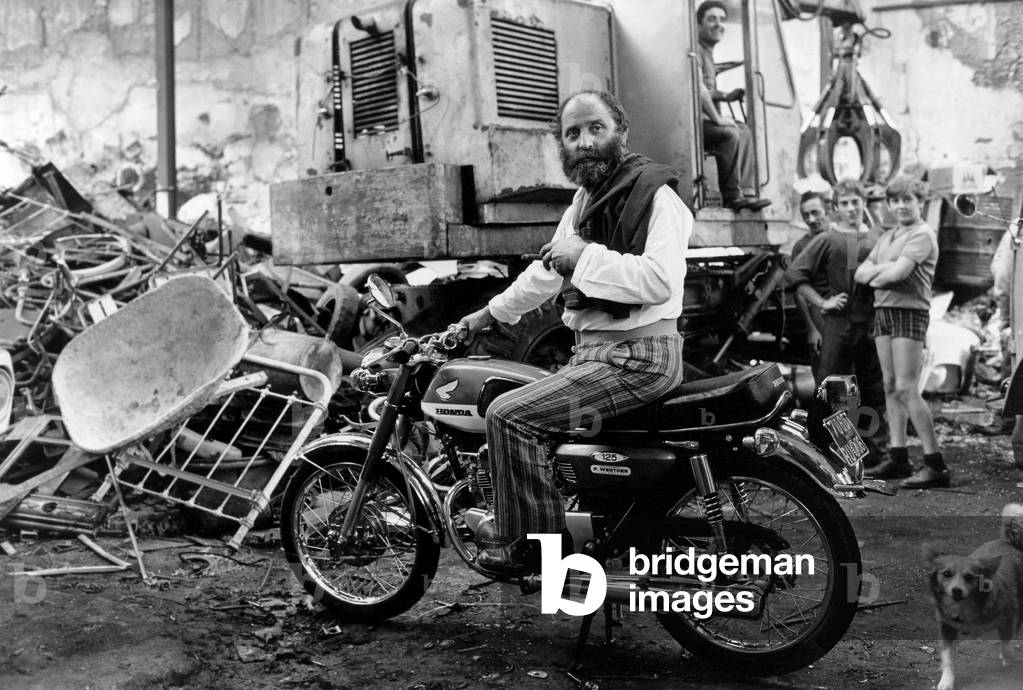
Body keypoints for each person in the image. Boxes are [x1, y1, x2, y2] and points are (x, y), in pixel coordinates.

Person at [455, 90, 691, 573]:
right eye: (573, 133)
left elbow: (659, 279)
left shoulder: (656, 196)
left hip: (638, 357)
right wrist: (488, 315)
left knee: (509, 416)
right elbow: (546, 273)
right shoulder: (587, 201)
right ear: (561, 145)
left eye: (595, 129)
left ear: (621, 131)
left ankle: (537, 550)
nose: (584, 142)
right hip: (599, 356)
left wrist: (581, 257)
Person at [786, 179, 889, 469]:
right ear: (836, 207)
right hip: (838, 325)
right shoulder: (827, 239)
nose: (851, 208)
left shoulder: (878, 238)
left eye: (855, 202)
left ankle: (876, 453)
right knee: (836, 392)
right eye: (844, 203)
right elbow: (794, 276)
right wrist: (823, 302)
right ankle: (845, 456)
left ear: (864, 203)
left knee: (873, 390)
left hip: (870, 324)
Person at [854, 174, 946, 488]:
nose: (901, 205)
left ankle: (936, 465)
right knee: (890, 385)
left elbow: (896, 273)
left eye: (908, 199)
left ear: (920, 202)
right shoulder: (890, 235)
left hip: (909, 312)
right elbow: (861, 273)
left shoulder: (922, 234)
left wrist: (878, 274)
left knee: (907, 388)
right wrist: (881, 274)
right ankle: (898, 457)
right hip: (885, 312)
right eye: (895, 200)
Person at [696, 0, 770, 212]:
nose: (718, 24)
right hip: (695, 125)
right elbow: (698, 89)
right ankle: (731, 196)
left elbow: (706, 90)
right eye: (711, 19)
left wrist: (726, 96)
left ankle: (745, 193)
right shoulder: (697, 50)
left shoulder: (708, 52)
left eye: (722, 19)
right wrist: (719, 119)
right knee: (729, 133)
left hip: (704, 121)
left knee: (744, 130)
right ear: (699, 24)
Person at [791, 191, 831, 359]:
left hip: (845, 314)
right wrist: (812, 329)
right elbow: (798, 291)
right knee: (826, 373)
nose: (811, 220)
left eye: (815, 213)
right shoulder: (801, 246)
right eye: (806, 215)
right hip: (820, 315)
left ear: (827, 211)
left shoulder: (842, 238)